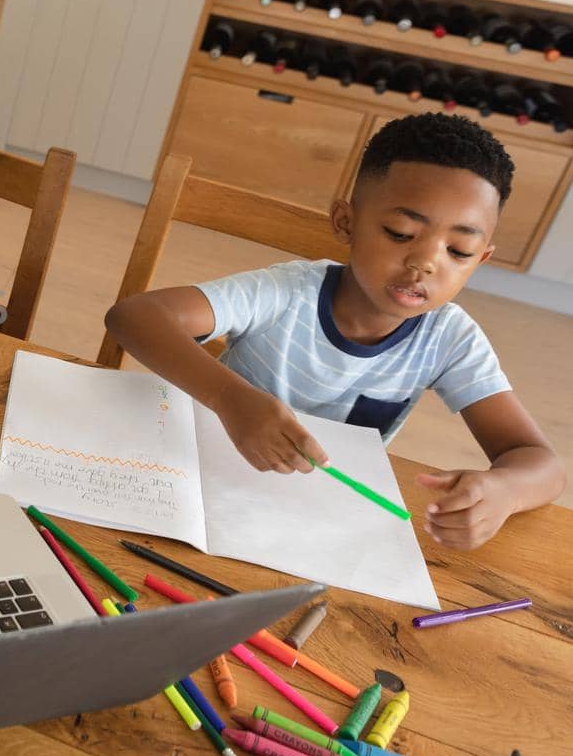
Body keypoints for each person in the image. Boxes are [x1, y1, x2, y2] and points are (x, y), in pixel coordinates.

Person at [105, 114, 564, 549]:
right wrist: (231, 399)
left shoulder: (449, 338)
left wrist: (504, 490)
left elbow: (541, 463)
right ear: (346, 222)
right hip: (197, 478)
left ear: (481, 259)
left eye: (459, 250)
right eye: (400, 232)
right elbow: (136, 316)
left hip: (315, 522)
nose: (425, 261)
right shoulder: (288, 293)